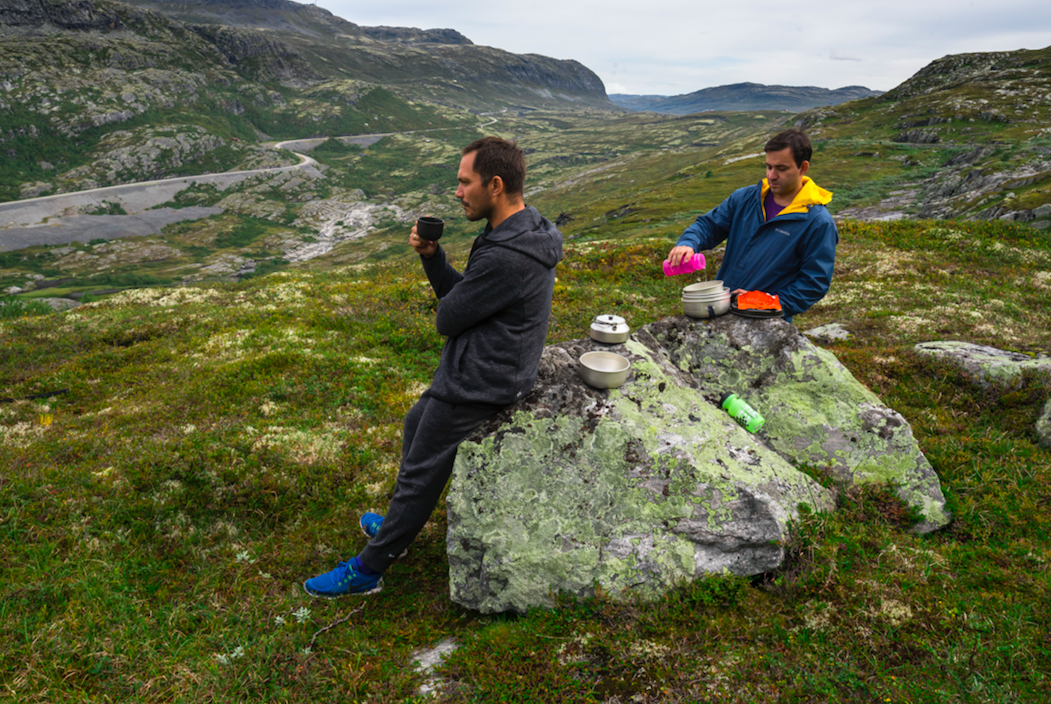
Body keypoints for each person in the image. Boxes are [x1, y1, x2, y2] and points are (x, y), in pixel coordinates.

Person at [304, 136, 563, 597]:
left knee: (422, 469)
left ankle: (369, 568)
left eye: (465, 183)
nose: (457, 192)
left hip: (483, 379)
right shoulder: (524, 229)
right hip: (487, 364)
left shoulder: (508, 255)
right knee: (415, 422)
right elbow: (470, 300)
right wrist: (433, 258)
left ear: (496, 185)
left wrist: (443, 278)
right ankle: (398, 525)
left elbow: (449, 316)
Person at [666, 129, 838, 322]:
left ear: (803, 167)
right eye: (768, 167)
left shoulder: (817, 223)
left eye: (781, 169)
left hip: (765, 325)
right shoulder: (745, 198)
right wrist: (688, 243)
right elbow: (709, 225)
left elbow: (813, 284)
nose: (772, 175)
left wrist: (761, 302)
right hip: (720, 311)